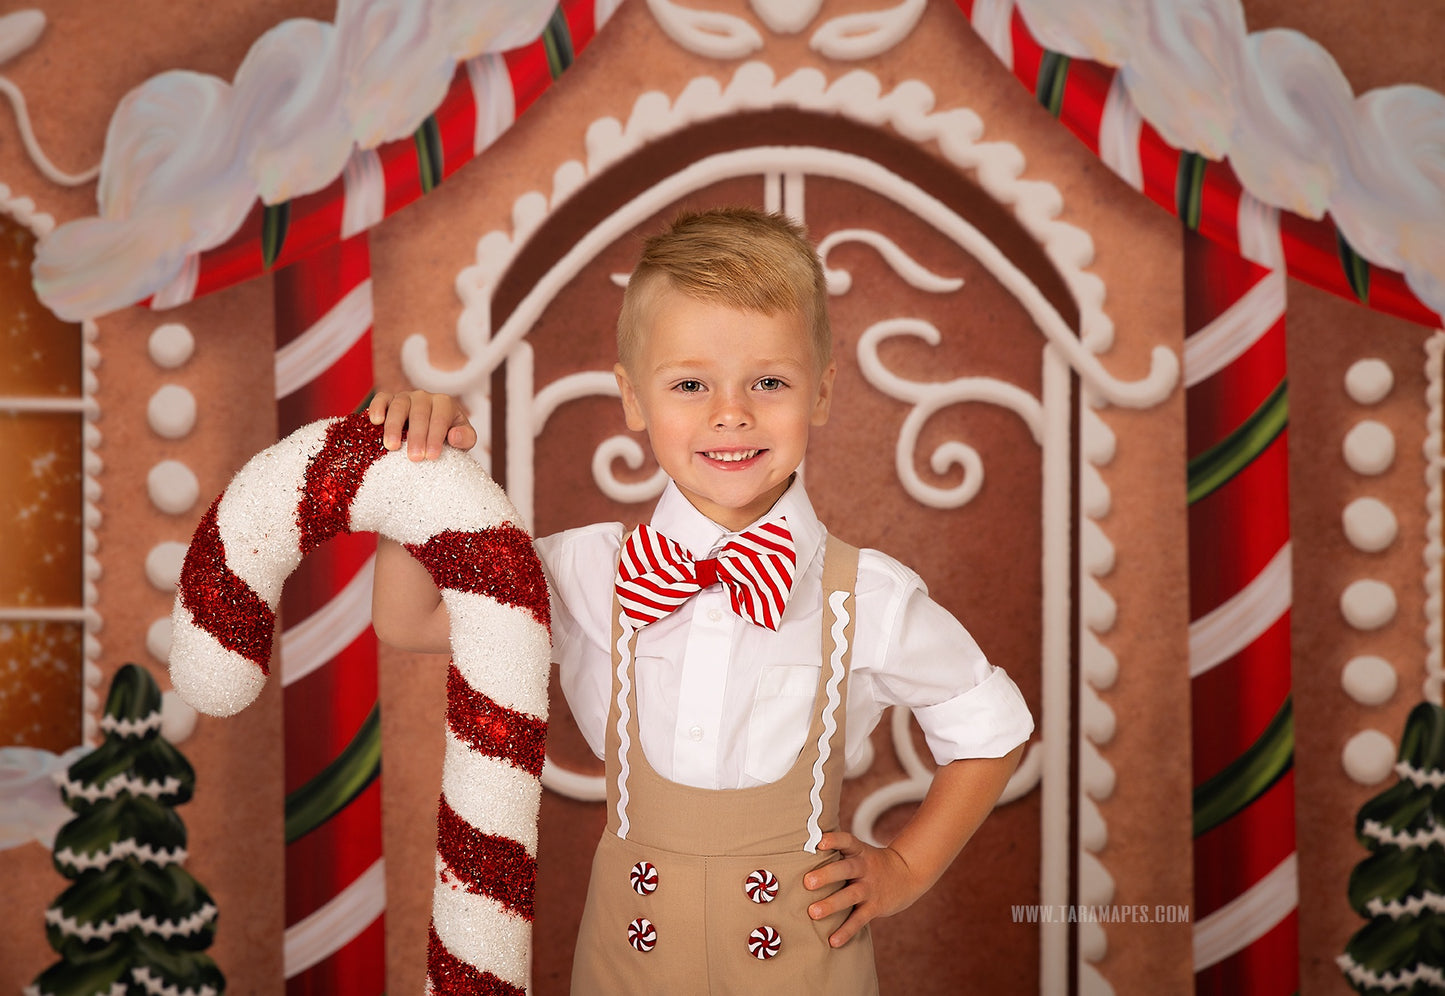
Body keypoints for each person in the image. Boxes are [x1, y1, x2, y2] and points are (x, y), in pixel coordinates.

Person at [369, 207, 1033, 993]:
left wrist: (904, 869)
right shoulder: (584, 572)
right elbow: (409, 621)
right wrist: (410, 472)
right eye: (689, 383)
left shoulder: (869, 596)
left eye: (769, 382)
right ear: (632, 400)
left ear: (819, 393)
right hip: (628, 964)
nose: (731, 413)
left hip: (804, 972)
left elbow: (991, 727)